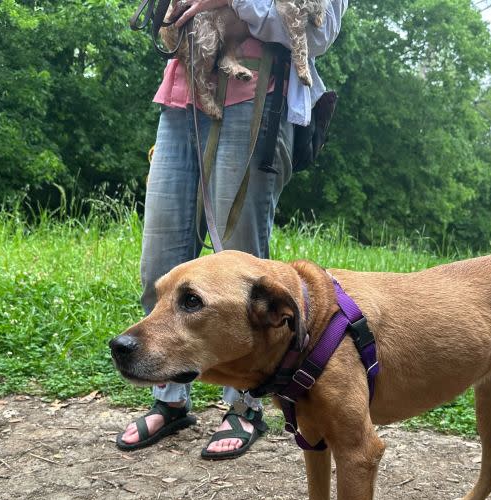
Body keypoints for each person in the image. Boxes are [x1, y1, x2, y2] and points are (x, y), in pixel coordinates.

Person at [119, 0, 348, 459]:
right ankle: (169, 393)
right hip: (181, 100)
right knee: (160, 264)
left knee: (239, 265)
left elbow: (320, 33)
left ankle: (245, 403)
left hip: (257, 97)